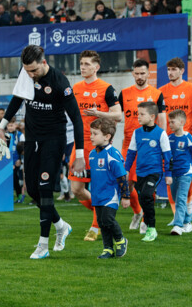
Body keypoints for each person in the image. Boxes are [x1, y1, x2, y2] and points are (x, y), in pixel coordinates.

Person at [0, 45, 85, 259]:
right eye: (26, 70)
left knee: (44, 189)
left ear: (44, 63)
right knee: (33, 191)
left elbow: (77, 119)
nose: (30, 74)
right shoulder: (25, 74)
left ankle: (43, 245)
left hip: (53, 140)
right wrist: (2, 126)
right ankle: (61, 225)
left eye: (33, 70)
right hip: (32, 139)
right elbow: (17, 99)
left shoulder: (60, 83)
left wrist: (79, 155)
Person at [68, 50, 122, 242]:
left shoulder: (106, 88)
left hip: (99, 146)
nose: (83, 67)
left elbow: (119, 115)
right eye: (81, 63)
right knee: (76, 189)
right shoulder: (75, 88)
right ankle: (103, 213)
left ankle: (95, 226)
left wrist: (99, 113)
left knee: (98, 187)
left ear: (97, 67)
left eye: (87, 64)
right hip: (80, 144)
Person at [118, 59, 166, 232]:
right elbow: (117, 115)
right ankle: (137, 212)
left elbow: (163, 120)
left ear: (148, 73)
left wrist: (162, 142)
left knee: (147, 187)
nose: (139, 76)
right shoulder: (124, 94)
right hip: (128, 145)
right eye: (136, 73)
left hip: (149, 147)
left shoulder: (156, 94)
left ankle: (146, 220)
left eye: (142, 73)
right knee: (126, 183)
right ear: (133, 73)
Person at [160, 57, 192, 215]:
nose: (170, 73)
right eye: (168, 70)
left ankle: (188, 212)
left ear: (182, 70)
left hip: (186, 141)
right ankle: (177, 215)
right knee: (170, 177)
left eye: (173, 69)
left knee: (185, 176)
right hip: (168, 141)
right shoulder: (162, 91)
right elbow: (160, 117)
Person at [125, 102, 172, 242]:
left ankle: (152, 228)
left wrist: (168, 174)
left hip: (155, 172)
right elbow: (131, 153)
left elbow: (168, 156)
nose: (138, 116)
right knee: (143, 198)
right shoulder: (136, 133)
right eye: (137, 113)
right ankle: (145, 220)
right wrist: (126, 170)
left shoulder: (161, 133)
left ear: (152, 116)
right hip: (140, 173)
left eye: (141, 114)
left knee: (146, 195)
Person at [88, 118, 129, 259]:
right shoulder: (92, 154)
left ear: (107, 136)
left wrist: (125, 196)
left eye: (95, 134)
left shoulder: (113, 154)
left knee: (108, 220)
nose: (91, 136)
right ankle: (108, 248)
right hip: (97, 195)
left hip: (110, 195)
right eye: (91, 133)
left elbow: (122, 176)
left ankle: (120, 239)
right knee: (101, 223)